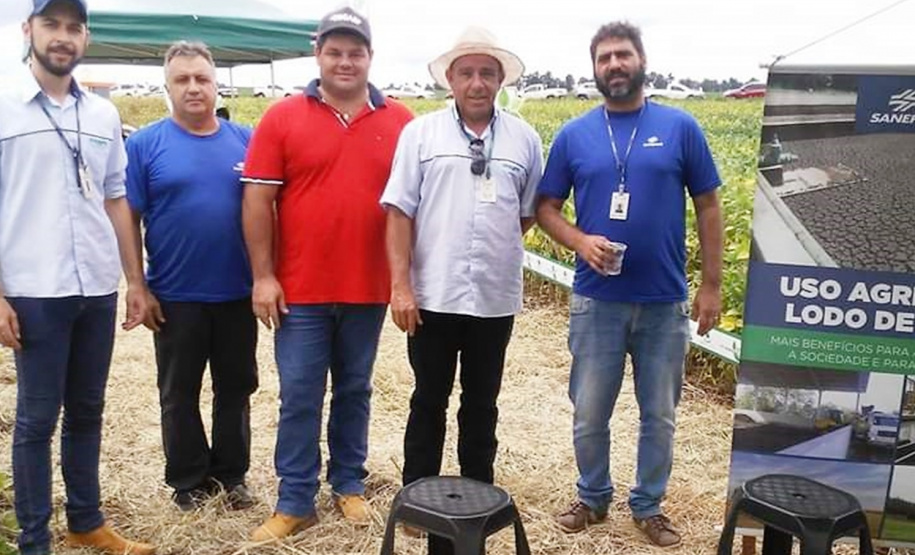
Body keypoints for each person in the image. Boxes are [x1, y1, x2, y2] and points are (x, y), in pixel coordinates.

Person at [535, 21, 723, 547]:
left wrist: (710, 286)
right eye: (604, 58)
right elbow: (546, 208)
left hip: (664, 301)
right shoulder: (575, 134)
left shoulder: (680, 126)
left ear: (642, 61)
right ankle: (592, 498)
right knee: (590, 410)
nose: (614, 65)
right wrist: (579, 240)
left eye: (623, 55)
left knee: (659, 414)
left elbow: (708, 205)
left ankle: (649, 506)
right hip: (597, 302)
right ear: (594, 69)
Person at [241, 6, 412, 541]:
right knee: (299, 392)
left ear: (369, 57)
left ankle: (348, 484)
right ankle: (295, 499)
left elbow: (413, 207)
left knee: (356, 389)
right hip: (301, 290)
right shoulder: (283, 117)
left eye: (354, 52)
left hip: (367, 288)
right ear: (318, 54)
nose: (345, 61)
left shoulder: (400, 121)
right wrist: (264, 276)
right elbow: (257, 201)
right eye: (334, 51)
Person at [0, 1, 156, 554]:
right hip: (34, 288)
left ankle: (86, 521)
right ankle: (34, 541)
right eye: (52, 25)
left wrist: (134, 281)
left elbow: (116, 196)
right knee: (37, 419)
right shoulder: (5, 107)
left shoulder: (103, 115)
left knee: (88, 410)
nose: (63, 37)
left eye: (73, 27)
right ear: (28, 30)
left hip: (94, 286)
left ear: (85, 37)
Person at [380, 24, 542, 530]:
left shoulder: (524, 138)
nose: (477, 82)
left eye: (487, 73)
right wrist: (401, 286)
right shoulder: (421, 134)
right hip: (433, 294)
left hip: (493, 298)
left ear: (500, 81)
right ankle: (416, 502)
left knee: (481, 403)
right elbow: (399, 212)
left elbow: (527, 213)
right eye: (467, 73)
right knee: (428, 398)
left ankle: (478, 500)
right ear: (450, 79)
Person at [125, 41, 257, 513]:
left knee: (236, 387)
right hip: (175, 295)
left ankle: (231, 476)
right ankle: (187, 480)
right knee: (179, 393)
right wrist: (136, 284)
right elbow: (128, 217)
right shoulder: (143, 145)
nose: (194, 87)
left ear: (215, 82)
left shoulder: (246, 140)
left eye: (201, 78)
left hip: (237, 292)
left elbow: (267, 212)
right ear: (167, 87)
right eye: (182, 80)